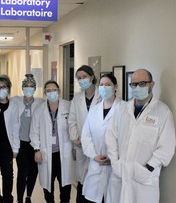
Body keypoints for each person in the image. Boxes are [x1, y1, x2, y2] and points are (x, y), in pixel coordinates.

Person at [105, 69, 176, 203]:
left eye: (142, 84)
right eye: (134, 84)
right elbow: (111, 137)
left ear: (152, 85)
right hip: (120, 173)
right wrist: (114, 162)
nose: (137, 88)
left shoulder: (163, 112)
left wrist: (148, 167)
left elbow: (167, 147)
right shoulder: (122, 109)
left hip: (144, 178)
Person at [81, 73, 126, 203]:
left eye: (108, 85)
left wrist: (113, 158)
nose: (104, 88)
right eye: (101, 85)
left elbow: (126, 139)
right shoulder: (94, 110)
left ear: (115, 87)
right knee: (94, 198)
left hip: (115, 167)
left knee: (113, 198)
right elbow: (86, 136)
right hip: (96, 165)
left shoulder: (124, 109)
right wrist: (94, 155)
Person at [30, 80, 75, 203]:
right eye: (48, 90)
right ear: (45, 93)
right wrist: (37, 149)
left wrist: (75, 148)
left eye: (54, 90)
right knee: (48, 186)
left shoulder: (68, 106)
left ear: (59, 91)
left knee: (65, 184)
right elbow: (34, 132)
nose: (51, 92)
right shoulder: (39, 110)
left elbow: (74, 128)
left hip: (64, 152)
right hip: (46, 153)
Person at [68, 65, 102, 202]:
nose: (82, 80)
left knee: (96, 178)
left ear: (92, 77)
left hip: (98, 146)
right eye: (79, 78)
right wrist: (75, 139)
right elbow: (72, 121)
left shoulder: (102, 96)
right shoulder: (77, 99)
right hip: (81, 145)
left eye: (84, 77)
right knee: (82, 179)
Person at [11, 74, 44, 203]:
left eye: (31, 87)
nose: (28, 89)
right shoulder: (15, 101)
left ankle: (28, 196)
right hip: (21, 143)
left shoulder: (41, 102)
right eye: (26, 86)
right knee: (22, 173)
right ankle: (19, 199)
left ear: (35, 88)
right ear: (22, 88)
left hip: (35, 144)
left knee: (33, 172)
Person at [0, 74, 20, 203]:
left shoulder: (14, 106)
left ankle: (8, 198)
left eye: (4, 86)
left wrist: (16, 148)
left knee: (8, 174)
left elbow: (16, 128)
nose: (1, 89)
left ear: (8, 88)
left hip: (7, 146)